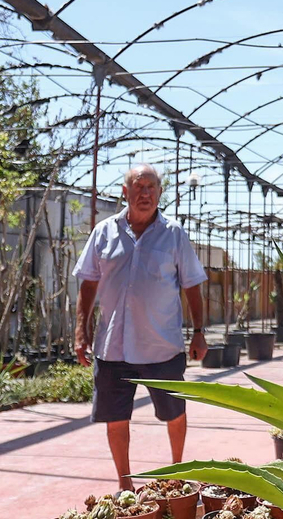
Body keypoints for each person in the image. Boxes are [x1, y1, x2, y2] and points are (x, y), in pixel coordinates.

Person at [73, 164, 209, 489]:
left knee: (174, 411)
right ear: (125, 191)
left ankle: (177, 473)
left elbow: (192, 286)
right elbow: (88, 284)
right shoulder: (104, 232)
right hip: (113, 347)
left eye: (151, 187)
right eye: (138, 186)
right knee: (115, 417)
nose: (145, 193)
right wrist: (81, 331)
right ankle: (125, 484)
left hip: (161, 347)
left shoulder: (174, 234)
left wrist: (199, 332)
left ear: (160, 193)